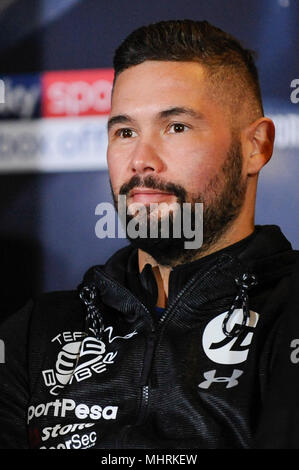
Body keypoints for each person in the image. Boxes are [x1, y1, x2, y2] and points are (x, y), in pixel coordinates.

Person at [0, 19, 298, 450]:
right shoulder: (31, 335)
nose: (141, 160)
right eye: (125, 132)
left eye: (176, 127)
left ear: (256, 146)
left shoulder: (288, 311)